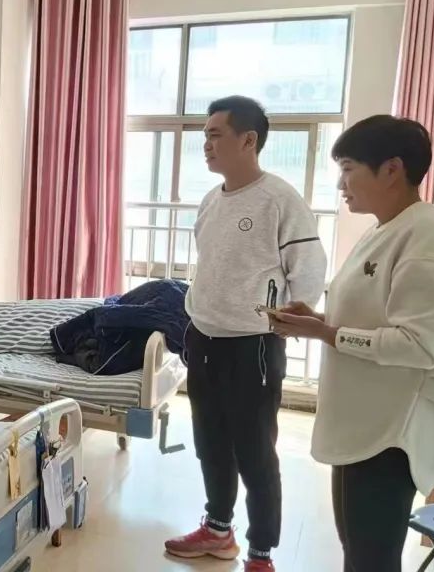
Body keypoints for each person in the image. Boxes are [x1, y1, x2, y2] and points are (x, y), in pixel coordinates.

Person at [271, 115, 434, 572]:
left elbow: (419, 345)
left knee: (371, 557)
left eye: (348, 168)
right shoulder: (387, 228)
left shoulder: (426, 238)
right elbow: (378, 319)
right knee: (359, 550)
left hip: (391, 432)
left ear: (392, 169)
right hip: (366, 420)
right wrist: (319, 320)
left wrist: (326, 333)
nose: (340, 183)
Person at [165, 96, 327, 572]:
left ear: (248, 140)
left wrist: (291, 317)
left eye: (216, 135)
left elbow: (308, 268)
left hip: (252, 345)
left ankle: (261, 553)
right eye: (205, 135)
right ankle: (218, 530)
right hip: (204, 337)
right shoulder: (211, 200)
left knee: (255, 452)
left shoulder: (279, 199)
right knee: (210, 442)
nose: (206, 144)